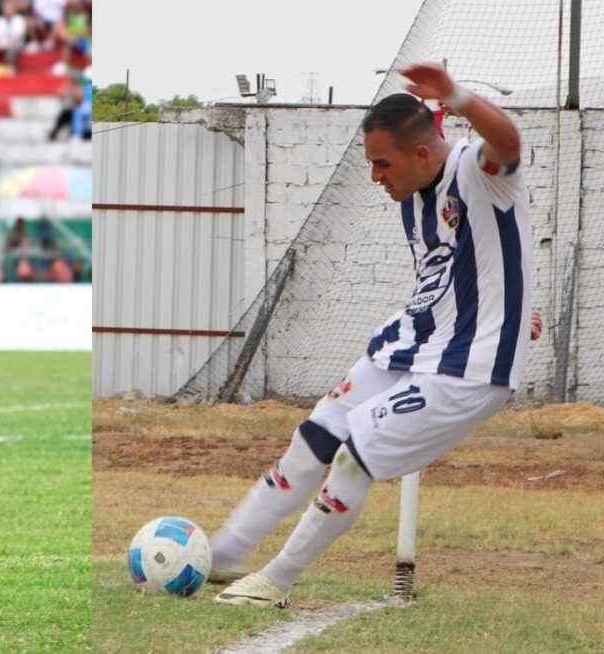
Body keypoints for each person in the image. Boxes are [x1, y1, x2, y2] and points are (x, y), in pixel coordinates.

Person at [209, 62, 535, 608]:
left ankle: (277, 580)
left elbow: (508, 140)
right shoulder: (412, 195)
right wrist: (521, 305)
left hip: (467, 368)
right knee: (315, 436)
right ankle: (225, 553)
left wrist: (455, 94)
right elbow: (473, 261)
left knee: (355, 454)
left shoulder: (477, 171)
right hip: (413, 341)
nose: (375, 175)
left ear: (422, 154)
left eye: (382, 163)